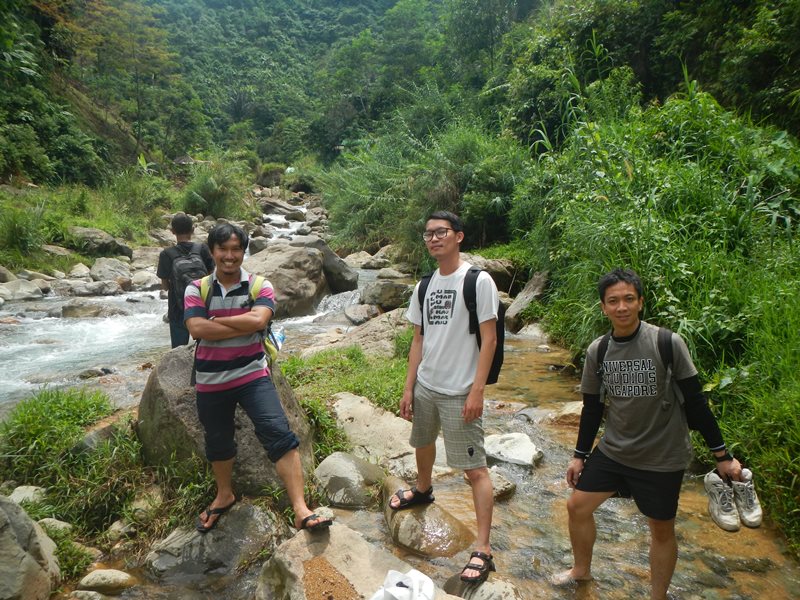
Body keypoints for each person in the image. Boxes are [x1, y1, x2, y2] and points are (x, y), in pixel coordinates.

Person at [553, 268, 747, 599]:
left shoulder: (666, 343)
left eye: (629, 299)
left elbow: (697, 404)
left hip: (662, 456)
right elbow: (592, 409)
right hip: (615, 451)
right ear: (603, 307)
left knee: (660, 528)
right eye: (613, 301)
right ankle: (581, 570)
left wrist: (722, 457)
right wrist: (579, 456)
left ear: (641, 302)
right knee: (577, 507)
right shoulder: (598, 351)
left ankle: (657, 596)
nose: (622, 307)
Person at [184, 223, 331, 534]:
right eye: (223, 249)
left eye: (236, 249)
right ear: (212, 252)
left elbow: (260, 319)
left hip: (252, 375)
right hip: (211, 382)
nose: (229, 255)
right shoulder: (196, 288)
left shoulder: (259, 285)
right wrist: (243, 323)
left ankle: (300, 508)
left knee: (279, 432)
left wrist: (217, 322)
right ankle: (224, 495)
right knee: (218, 441)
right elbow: (196, 329)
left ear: (243, 252)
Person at [391, 210, 500, 584]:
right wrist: (408, 387)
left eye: (441, 232)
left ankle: (483, 548)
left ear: (459, 236)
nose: (434, 238)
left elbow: (490, 339)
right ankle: (423, 489)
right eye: (428, 234)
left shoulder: (477, 281)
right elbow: (418, 339)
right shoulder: (424, 285)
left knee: (475, 470)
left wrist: (477, 390)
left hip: (460, 390)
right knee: (422, 442)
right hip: (427, 384)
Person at [157, 213, 214, 348]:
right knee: (206, 347)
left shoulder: (166, 254)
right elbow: (212, 277)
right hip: (203, 305)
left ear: (172, 231)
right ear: (193, 229)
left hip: (178, 309)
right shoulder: (202, 249)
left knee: (178, 350)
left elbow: (165, 287)